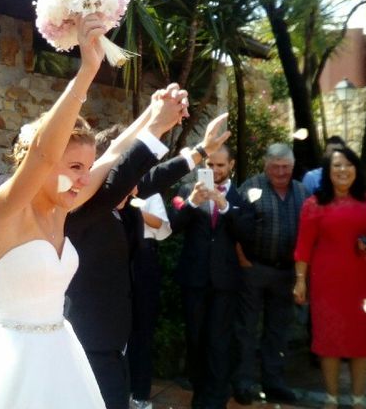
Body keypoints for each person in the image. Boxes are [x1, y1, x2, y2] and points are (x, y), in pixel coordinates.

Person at [0, 14, 187, 408]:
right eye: (73, 167)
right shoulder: (8, 206)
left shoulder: (65, 205)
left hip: (61, 357)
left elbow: (112, 155)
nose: (82, 179)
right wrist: (87, 70)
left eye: (84, 168)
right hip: (10, 364)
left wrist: (154, 117)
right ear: (39, 166)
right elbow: (44, 153)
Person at [65, 113, 230, 409]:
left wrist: (201, 151)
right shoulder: (82, 211)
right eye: (127, 175)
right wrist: (155, 125)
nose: (134, 186)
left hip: (117, 338)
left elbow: (149, 181)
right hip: (87, 339)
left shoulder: (125, 209)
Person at [293, 147, 366, 407]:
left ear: (356, 168)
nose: (343, 170)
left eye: (348, 165)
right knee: (328, 339)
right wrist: (300, 280)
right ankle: (331, 398)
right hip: (326, 282)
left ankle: (358, 399)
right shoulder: (314, 203)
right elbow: (303, 246)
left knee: (361, 340)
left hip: (361, 282)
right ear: (328, 173)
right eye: (337, 166)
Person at [169, 145, 251, 409]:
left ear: (231, 166)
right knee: (196, 337)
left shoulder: (240, 196)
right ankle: (199, 392)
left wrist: (224, 205)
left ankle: (216, 398)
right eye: (210, 165)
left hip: (225, 280)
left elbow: (247, 233)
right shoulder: (186, 192)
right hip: (194, 278)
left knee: (219, 339)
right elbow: (173, 226)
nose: (215, 171)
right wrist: (193, 201)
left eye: (220, 166)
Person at [233, 143, 308, 405]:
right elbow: (234, 225)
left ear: (292, 166)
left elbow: (309, 234)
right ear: (266, 165)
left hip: (286, 272)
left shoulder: (302, 191)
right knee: (246, 330)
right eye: (275, 167)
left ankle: (274, 384)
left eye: (285, 167)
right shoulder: (251, 187)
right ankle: (243, 383)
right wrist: (243, 260)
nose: (280, 172)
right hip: (254, 269)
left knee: (278, 331)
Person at [127, 191, 172, 409]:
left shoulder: (151, 192)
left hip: (144, 260)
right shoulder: (109, 187)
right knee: (116, 327)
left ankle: (140, 394)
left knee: (143, 330)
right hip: (115, 257)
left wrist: (133, 208)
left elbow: (163, 228)